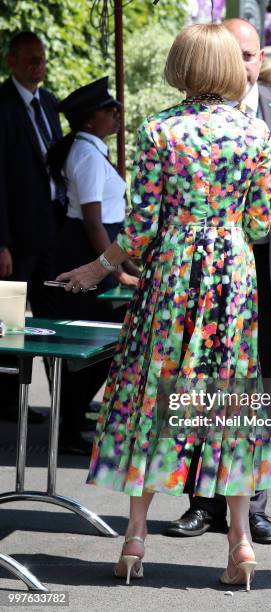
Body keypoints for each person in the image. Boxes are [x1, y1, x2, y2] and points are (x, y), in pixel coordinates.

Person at [56, 23, 271, 589]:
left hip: (173, 275)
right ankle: (241, 543)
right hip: (230, 273)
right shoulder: (254, 133)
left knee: (153, 388)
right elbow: (260, 223)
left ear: (182, 64)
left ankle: (134, 538)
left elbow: (144, 227)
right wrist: (221, 225)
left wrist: (98, 267)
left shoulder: (159, 131)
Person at [165, 18, 271, 545]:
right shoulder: (187, 119)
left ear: (260, 56)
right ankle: (201, 500)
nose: (240, 65)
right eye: (232, 54)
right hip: (208, 275)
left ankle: (254, 503)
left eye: (248, 55)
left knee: (258, 390)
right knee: (201, 386)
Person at [47, 77, 139, 455]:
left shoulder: (92, 150)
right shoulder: (85, 155)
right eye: (108, 110)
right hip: (84, 253)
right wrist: (115, 270)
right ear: (88, 120)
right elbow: (93, 220)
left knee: (105, 342)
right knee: (89, 344)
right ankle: (68, 428)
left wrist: (126, 262)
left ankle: (75, 416)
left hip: (99, 248)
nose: (116, 115)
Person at [0, 31, 64, 423]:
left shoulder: (50, 102)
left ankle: (62, 404)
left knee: (51, 319)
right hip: (15, 236)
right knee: (9, 324)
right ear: (11, 62)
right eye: (28, 59)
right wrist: (1, 242)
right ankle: (8, 404)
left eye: (40, 59)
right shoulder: (3, 105)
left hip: (50, 234)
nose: (35, 66)